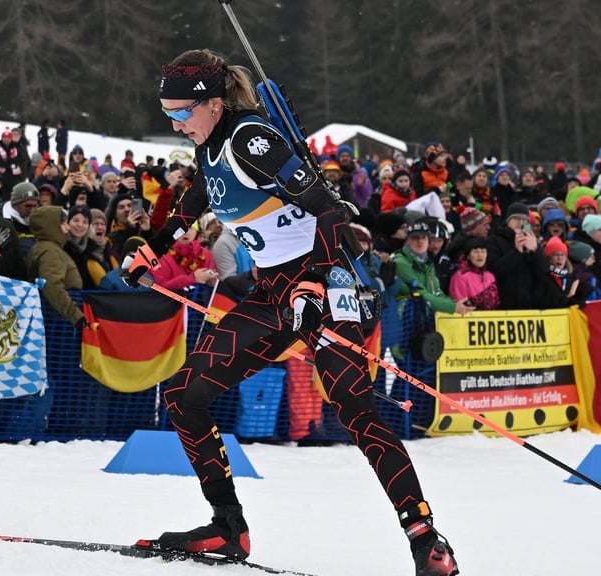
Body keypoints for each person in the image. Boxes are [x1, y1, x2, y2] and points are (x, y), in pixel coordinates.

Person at [123, 49, 459, 576]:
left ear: (213, 103)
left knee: (355, 409)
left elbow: (330, 210)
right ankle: (227, 527)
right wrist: (154, 246)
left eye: (183, 113)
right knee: (185, 394)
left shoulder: (251, 140)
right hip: (273, 293)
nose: (176, 124)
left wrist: (313, 285)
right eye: (168, 114)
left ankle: (425, 540)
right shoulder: (209, 146)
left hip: (332, 282)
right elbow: (197, 197)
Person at [26, 205, 86, 327]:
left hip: (58, 317)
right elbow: (51, 285)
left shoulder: (48, 248)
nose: (68, 227)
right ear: (52, 226)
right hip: (60, 321)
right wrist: (76, 315)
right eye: (63, 223)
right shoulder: (50, 251)